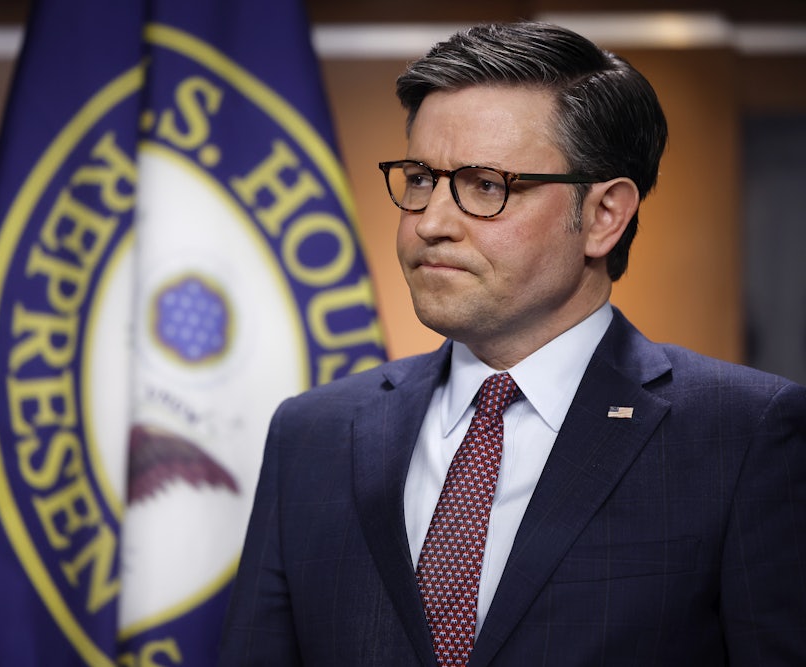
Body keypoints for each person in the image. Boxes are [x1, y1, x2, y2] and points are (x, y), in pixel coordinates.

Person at [218, 21, 806, 666]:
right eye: (419, 179)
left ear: (605, 215)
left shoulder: (742, 435)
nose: (433, 223)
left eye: (486, 186)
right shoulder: (315, 434)